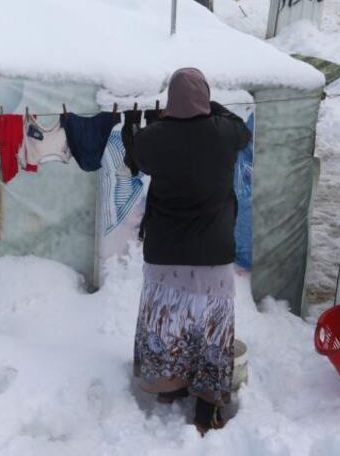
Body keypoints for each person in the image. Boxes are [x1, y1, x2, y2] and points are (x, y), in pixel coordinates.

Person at [129, 68, 251, 435]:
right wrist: (210, 106)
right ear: (205, 97)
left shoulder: (153, 138)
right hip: (212, 251)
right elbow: (241, 128)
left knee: (169, 325)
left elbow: (140, 156)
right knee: (211, 329)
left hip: (165, 251)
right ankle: (207, 404)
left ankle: (170, 386)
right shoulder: (224, 133)